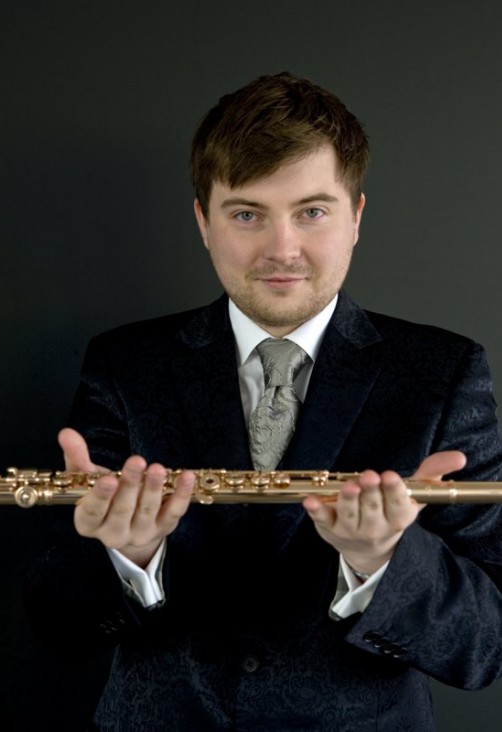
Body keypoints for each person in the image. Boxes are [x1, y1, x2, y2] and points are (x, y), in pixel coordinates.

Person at [25, 72, 502, 732]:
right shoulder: (126, 363)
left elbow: (488, 647)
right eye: (247, 214)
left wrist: (385, 563)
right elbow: (58, 621)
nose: (282, 250)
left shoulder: (442, 371)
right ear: (203, 221)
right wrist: (123, 560)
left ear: (356, 217)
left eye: (312, 212)